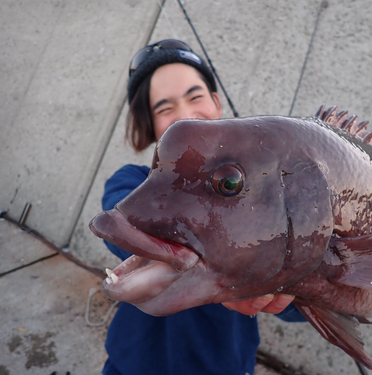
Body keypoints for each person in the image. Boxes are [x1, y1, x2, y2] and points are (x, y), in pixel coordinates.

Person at [101, 39, 306, 375]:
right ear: (150, 124)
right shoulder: (129, 180)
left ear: (216, 102)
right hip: (133, 365)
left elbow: (290, 308)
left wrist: (306, 290)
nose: (185, 117)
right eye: (164, 108)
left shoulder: (267, 194)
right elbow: (119, 230)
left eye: (195, 97)